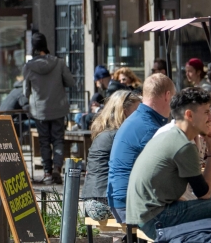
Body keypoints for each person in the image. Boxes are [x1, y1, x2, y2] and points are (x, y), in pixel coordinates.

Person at [125, 87, 211, 243]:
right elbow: (204, 193)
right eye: (206, 112)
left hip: (148, 216)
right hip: (158, 220)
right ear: (189, 115)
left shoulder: (170, 135)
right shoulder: (183, 145)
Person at [107, 73, 175, 222]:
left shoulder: (138, 119)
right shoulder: (150, 128)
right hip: (131, 206)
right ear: (167, 95)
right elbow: (168, 173)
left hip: (120, 202)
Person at [22, 32, 75, 185]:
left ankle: (47, 173)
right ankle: (57, 167)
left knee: (44, 141)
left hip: (39, 110)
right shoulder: (59, 63)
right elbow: (70, 82)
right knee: (58, 139)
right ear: (46, 45)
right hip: (58, 107)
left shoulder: (29, 67)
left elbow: (25, 91)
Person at [81, 90, 142, 221]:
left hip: (90, 200)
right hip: (105, 202)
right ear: (124, 111)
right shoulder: (119, 136)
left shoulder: (104, 133)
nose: (140, 115)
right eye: (137, 111)